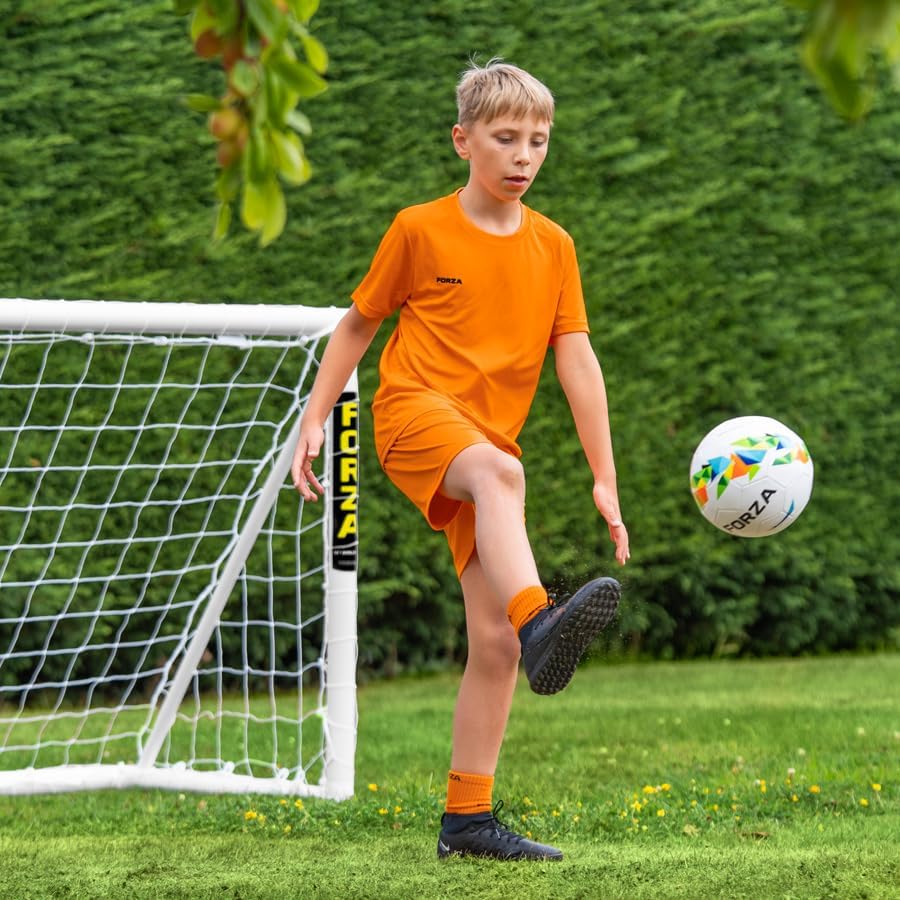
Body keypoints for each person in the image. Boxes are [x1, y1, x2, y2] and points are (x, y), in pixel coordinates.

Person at [291, 58, 630, 861]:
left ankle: (467, 821)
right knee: (500, 477)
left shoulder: (555, 246)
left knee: (496, 643)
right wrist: (312, 420)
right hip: (411, 419)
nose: (523, 155)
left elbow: (577, 361)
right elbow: (356, 327)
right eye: (505, 137)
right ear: (462, 141)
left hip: (486, 451)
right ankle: (543, 616)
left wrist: (605, 476)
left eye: (538, 141)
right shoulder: (419, 228)